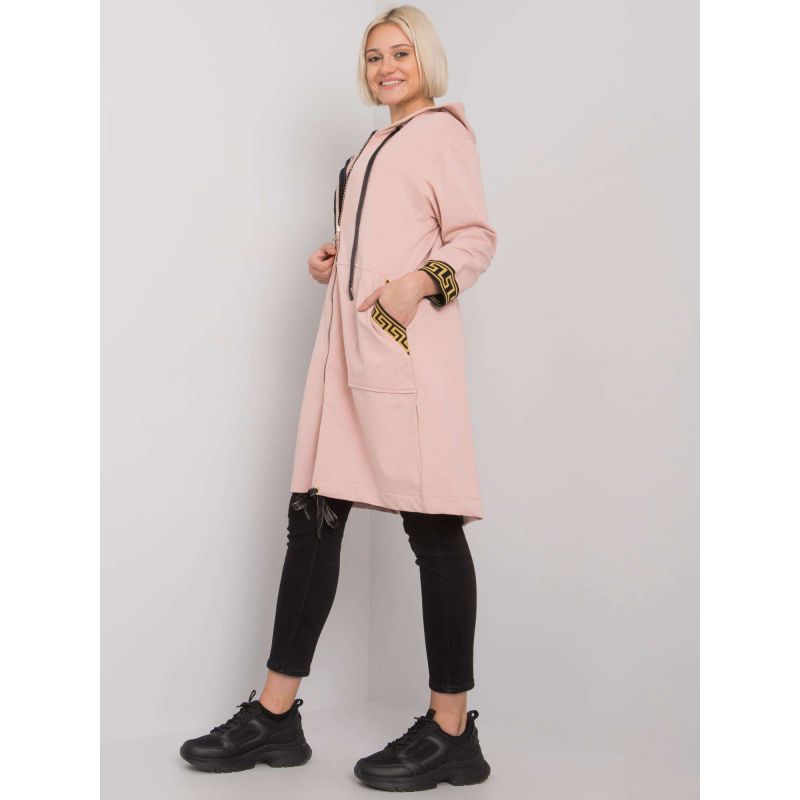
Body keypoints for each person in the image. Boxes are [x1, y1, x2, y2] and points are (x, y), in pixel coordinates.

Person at [179, 5, 497, 791]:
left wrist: (415, 284)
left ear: (425, 60)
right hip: (345, 360)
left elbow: (474, 237)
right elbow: (385, 232)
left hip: (403, 361)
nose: (386, 67)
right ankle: (275, 716)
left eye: (400, 53)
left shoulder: (443, 134)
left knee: (434, 528)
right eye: (374, 56)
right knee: (312, 520)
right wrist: (339, 257)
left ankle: (452, 730)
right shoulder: (368, 149)